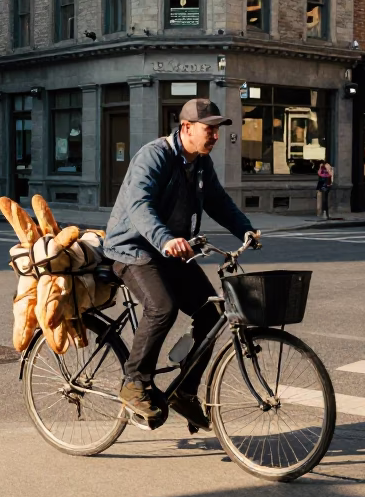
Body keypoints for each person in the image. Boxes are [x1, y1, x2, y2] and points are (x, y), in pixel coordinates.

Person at [103, 98, 259, 430]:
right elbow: (139, 204)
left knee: (211, 314)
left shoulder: (201, 163)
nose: (215, 136)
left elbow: (218, 201)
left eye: (217, 130)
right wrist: (163, 238)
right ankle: (133, 382)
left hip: (172, 251)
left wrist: (245, 229)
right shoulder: (154, 155)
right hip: (133, 249)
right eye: (209, 129)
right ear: (186, 128)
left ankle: (185, 392)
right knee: (162, 307)